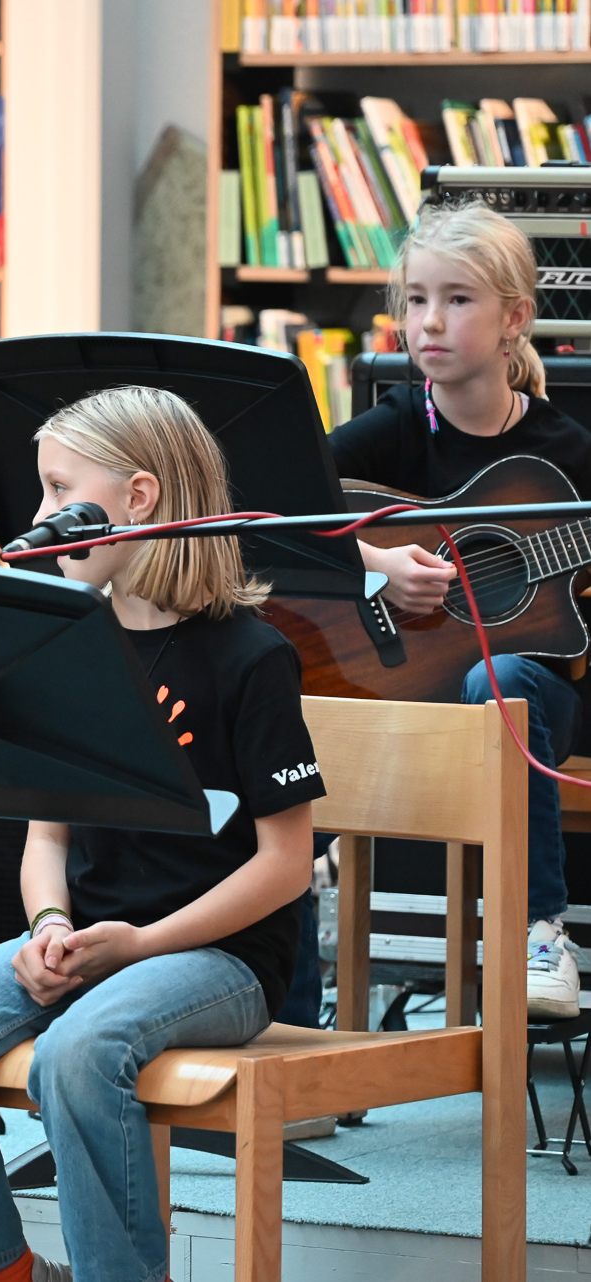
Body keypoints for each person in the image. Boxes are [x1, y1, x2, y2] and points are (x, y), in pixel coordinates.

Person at [0, 385, 325, 1282]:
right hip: (92, 944)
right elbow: (49, 840)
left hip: (218, 959)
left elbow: (285, 865)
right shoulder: (67, 645)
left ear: (140, 499)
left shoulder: (250, 654)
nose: (39, 520)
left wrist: (141, 944)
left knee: (80, 1053)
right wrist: (47, 928)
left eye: (56, 493)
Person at [328, 199, 590, 1020]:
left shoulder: (564, 458)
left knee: (500, 672)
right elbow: (262, 518)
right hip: (399, 684)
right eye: (414, 299)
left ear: (515, 317)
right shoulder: (392, 430)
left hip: (530, 698)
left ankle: (538, 936)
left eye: (456, 299)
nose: (427, 322)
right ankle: (282, 1014)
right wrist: (374, 565)